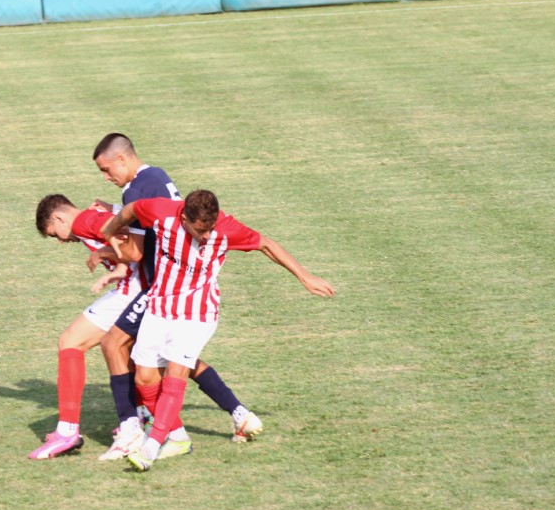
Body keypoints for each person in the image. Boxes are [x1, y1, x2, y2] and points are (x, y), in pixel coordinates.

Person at [99, 189, 334, 471]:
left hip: (198, 313)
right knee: (145, 379)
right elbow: (132, 208)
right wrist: (109, 231)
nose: (207, 236)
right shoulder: (161, 212)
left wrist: (305, 277)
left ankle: (150, 449)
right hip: (159, 307)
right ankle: (177, 438)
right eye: (200, 231)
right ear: (184, 219)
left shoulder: (225, 228)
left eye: (210, 229)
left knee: (176, 373)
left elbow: (267, 244)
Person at [91, 133, 264, 460]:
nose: (106, 177)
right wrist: (115, 212)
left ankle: (136, 428)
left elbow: (136, 251)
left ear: (122, 159)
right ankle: (239, 414)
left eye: (106, 169)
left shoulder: (134, 189)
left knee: (114, 344)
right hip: (174, 286)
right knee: (175, 359)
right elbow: (149, 217)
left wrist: (106, 246)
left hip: (161, 287)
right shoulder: (156, 175)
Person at [29, 194, 145, 460]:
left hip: (134, 289)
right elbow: (129, 225)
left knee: (71, 341)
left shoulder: (84, 222)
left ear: (59, 217)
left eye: (54, 233)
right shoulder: (89, 221)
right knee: (141, 354)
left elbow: (130, 235)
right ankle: (141, 420)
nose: (60, 241)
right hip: (142, 287)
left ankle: (68, 431)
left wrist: (116, 263)